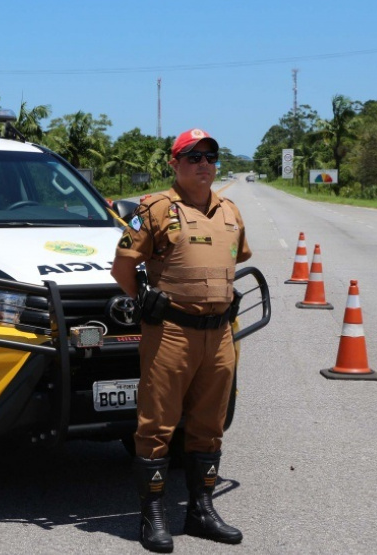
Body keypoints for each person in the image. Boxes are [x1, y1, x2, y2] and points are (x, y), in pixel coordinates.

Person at [111, 128, 251, 552]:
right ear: (175, 164)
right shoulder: (153, 210)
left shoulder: (230, 212)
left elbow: (238, 257)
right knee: (157, 426)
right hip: (171, 333)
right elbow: (122, 268)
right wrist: (146, 301)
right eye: (193, 157)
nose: (203, 164)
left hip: (219, 335)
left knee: (209, 425)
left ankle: (201, 510)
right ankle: (153, 516)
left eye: (210, 157)